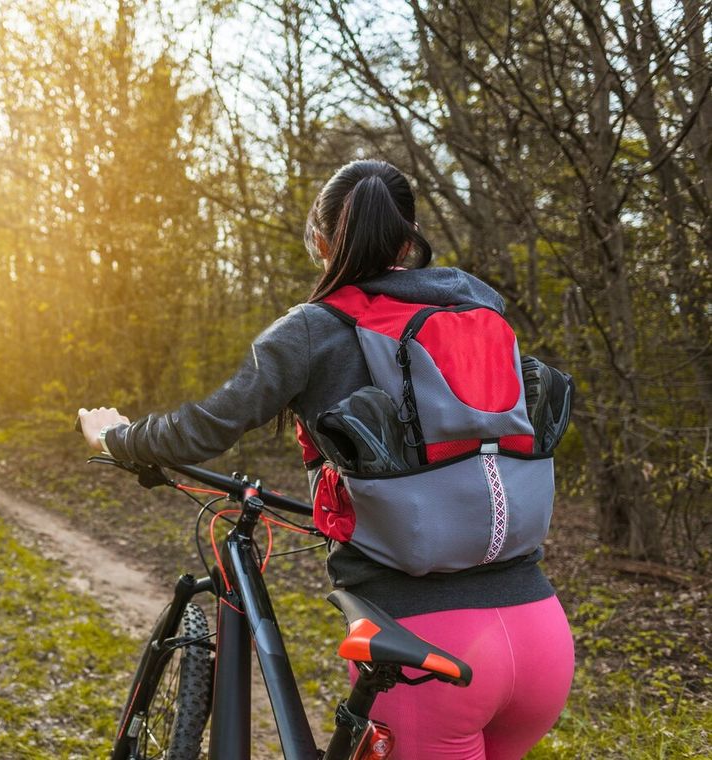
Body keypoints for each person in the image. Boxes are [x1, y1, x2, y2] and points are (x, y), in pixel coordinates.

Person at [77, 159, 574, 760]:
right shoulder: (476, 307)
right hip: (542, 634)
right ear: (408, 235)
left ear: (320, 240)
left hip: (426, 649)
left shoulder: (313, 328)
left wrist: (117, 437)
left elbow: (203, 430)